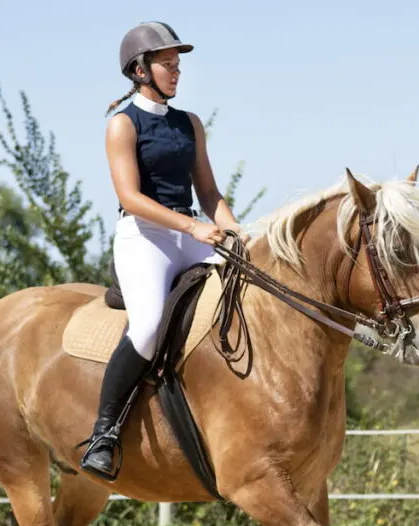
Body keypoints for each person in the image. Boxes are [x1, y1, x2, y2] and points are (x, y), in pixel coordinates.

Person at [80, 21, 245, 481]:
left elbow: (209, 192)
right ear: (139, 70)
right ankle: (104, 432)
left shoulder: (189, 123)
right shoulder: (122, 124)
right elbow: (131, 197)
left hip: (190, 234)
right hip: (144, 236)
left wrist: (233, 231)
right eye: (167, 64)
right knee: (149, 325)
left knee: (246, 290)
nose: (176, 72)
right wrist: (193, 225)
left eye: (177, 64)